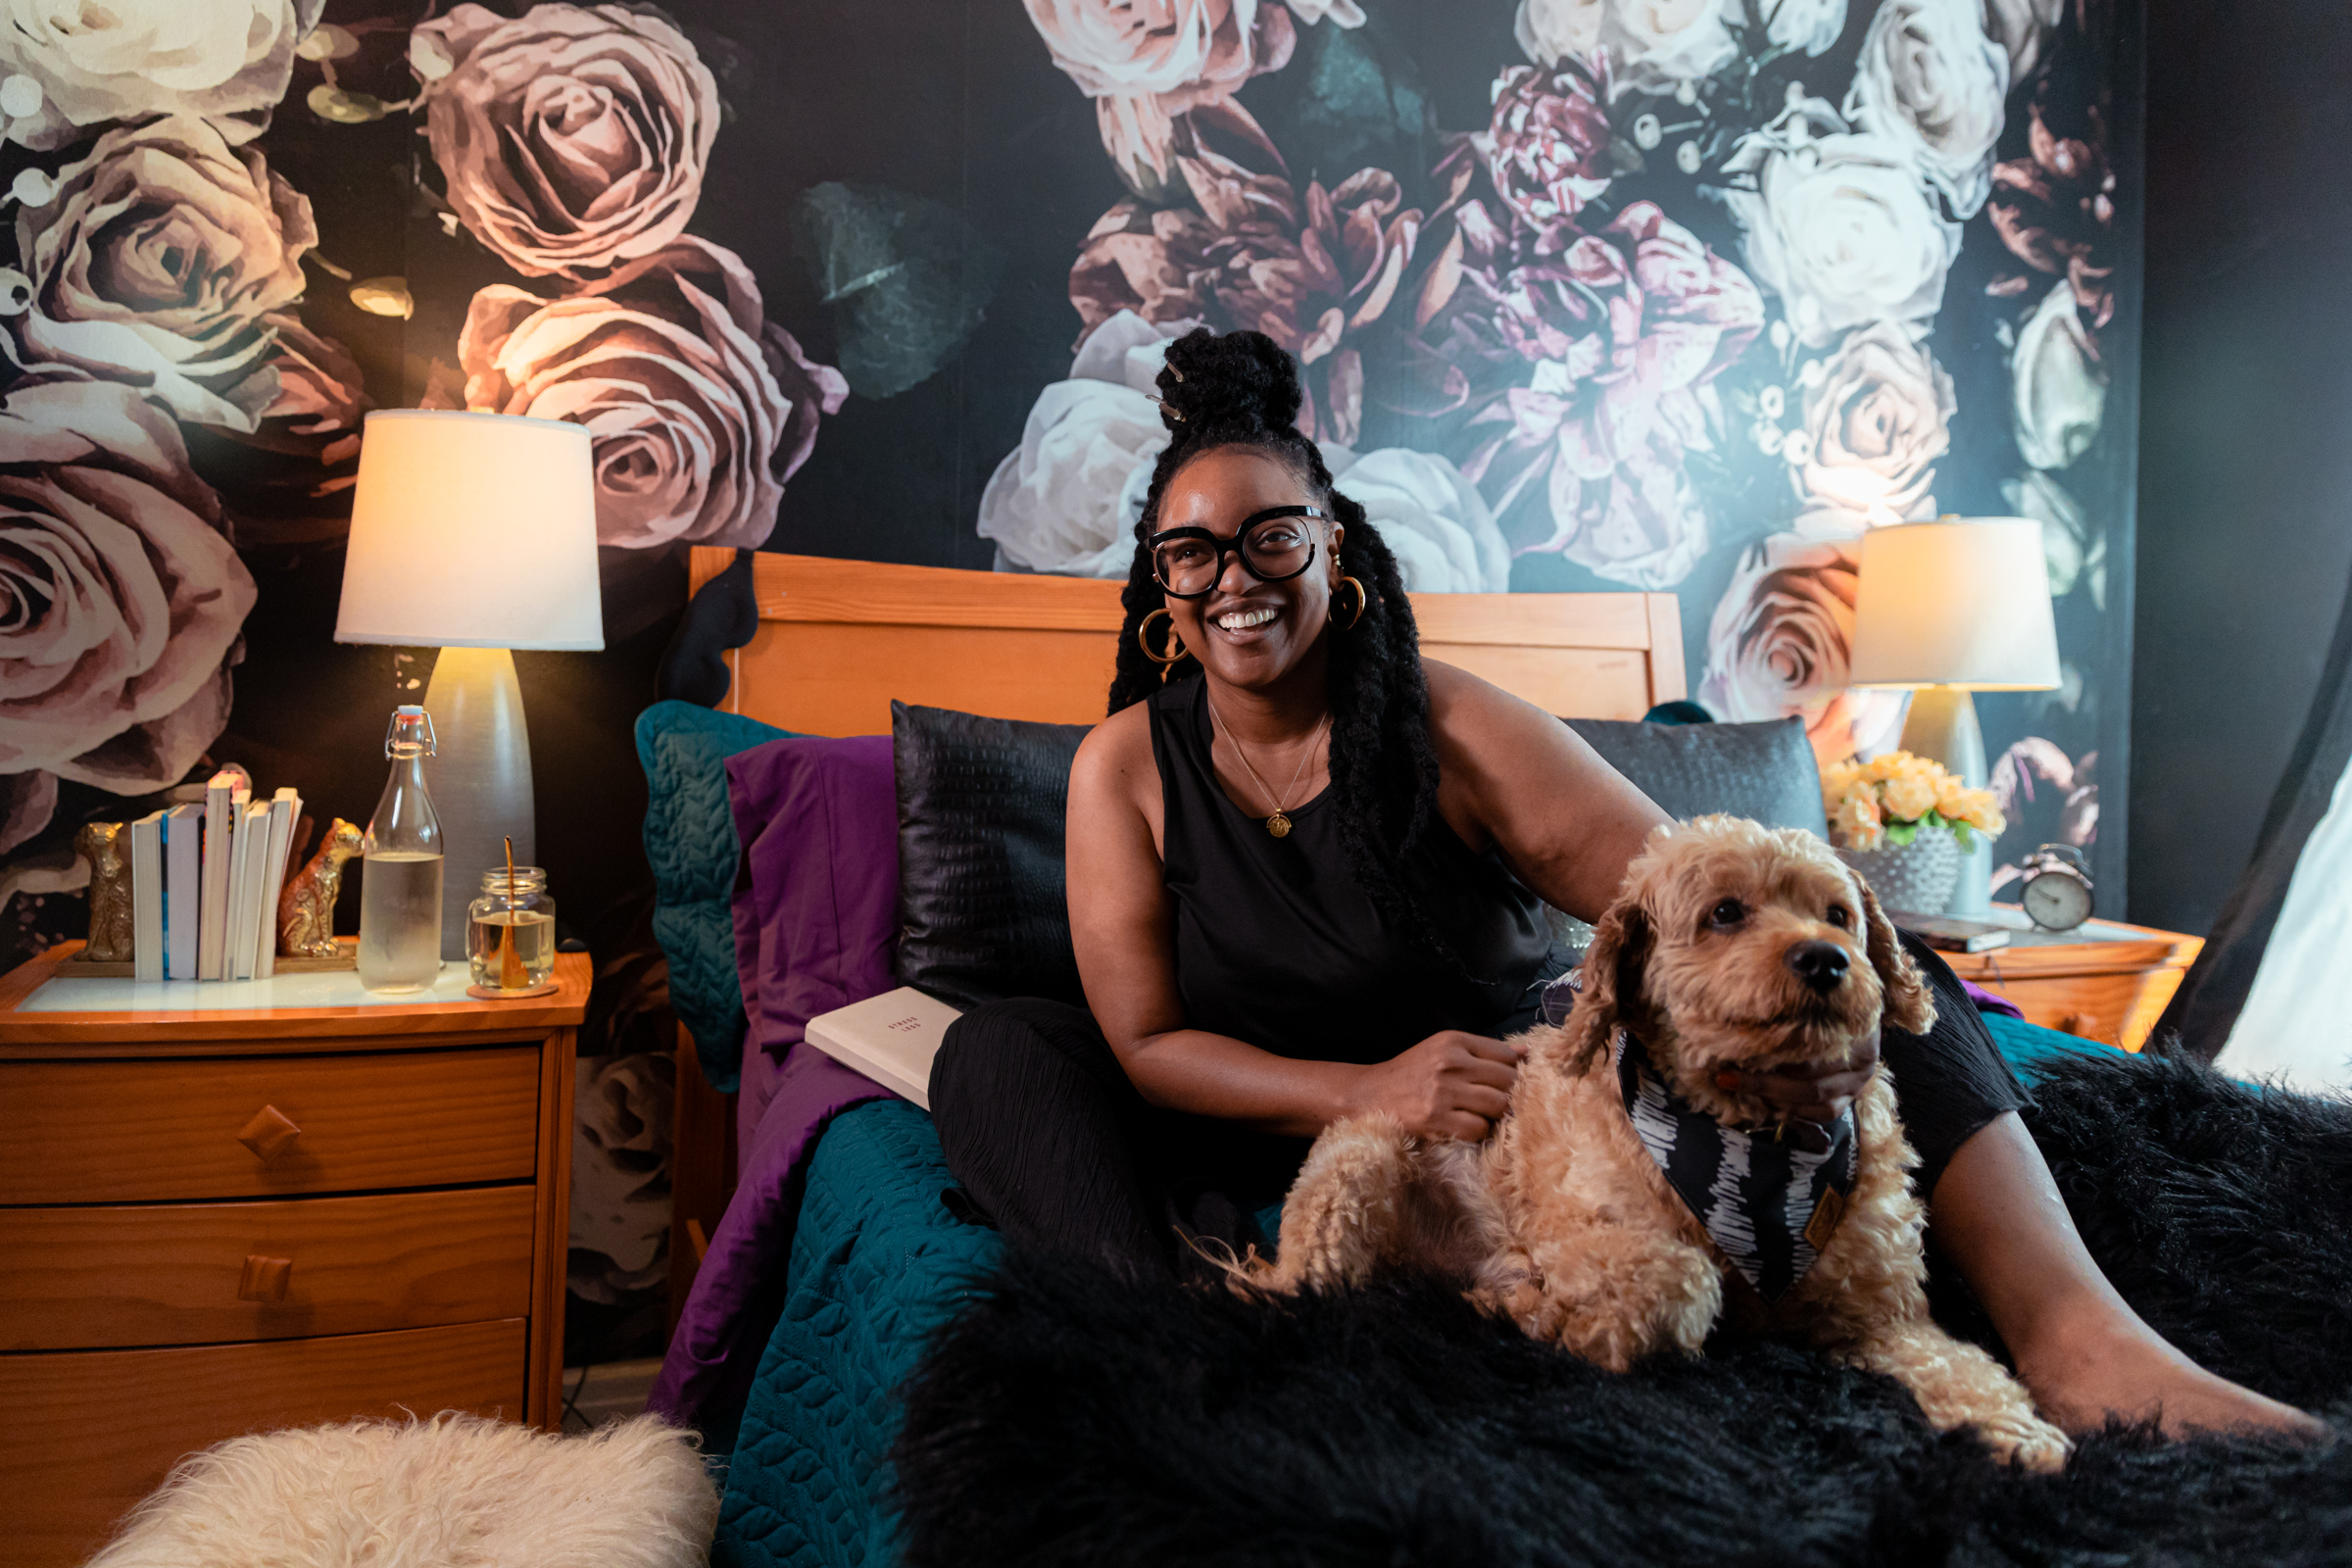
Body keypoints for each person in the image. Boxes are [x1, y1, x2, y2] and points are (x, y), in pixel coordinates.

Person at [929, 327, 2316, 1440]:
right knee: (989, 1047)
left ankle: (2078, 1333)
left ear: (1335, 547)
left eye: (1272, 536)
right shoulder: (1127, 764)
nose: (1235, 578)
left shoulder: (1452, 725)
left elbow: (1684, 894)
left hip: (1495, 1138)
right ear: (1159, 583)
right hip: (1261, 1133)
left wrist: (1789, 962)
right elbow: (1150, 1042)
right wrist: (1359, 1090)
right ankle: (1192, 1327)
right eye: (1192, 552)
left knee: (1868, 951)